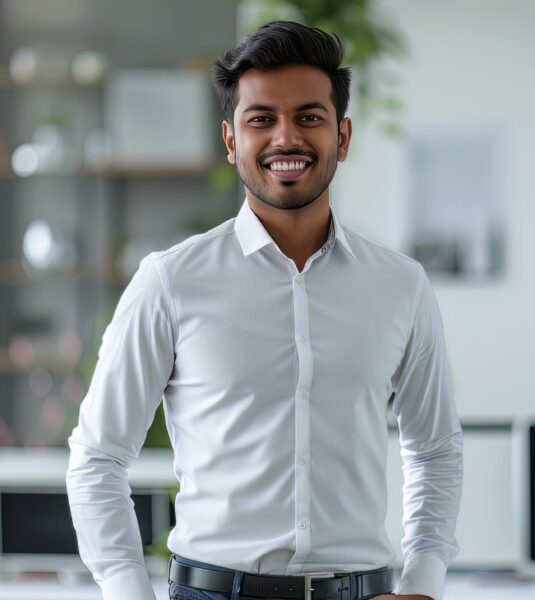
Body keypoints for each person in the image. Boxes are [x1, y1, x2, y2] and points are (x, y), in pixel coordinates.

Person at [66, 20, 463, 600]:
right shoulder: (170, 281)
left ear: (343, 136)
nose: (286, 138)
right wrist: (128, 590)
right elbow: (98, 457)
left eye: (309, 117)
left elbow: (435, 450)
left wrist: (423, 584)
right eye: (261, 119)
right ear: (231, 141)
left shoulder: (401, 285)